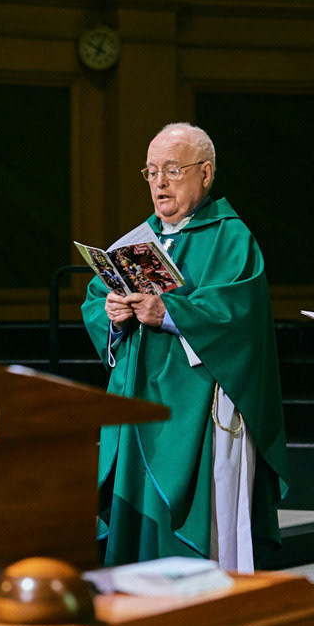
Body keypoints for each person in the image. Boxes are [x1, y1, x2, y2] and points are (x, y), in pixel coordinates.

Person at [81, 122, 289, 573]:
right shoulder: (135, 241)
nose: (159, 183)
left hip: (199, 408)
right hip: (136, 407)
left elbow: (239, 319)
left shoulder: (231, 238)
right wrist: (113, 313)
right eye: (151, 171)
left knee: (199, 530)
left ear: (206, 173)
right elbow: (95, 302)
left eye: (173, 170)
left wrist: (169, 314)